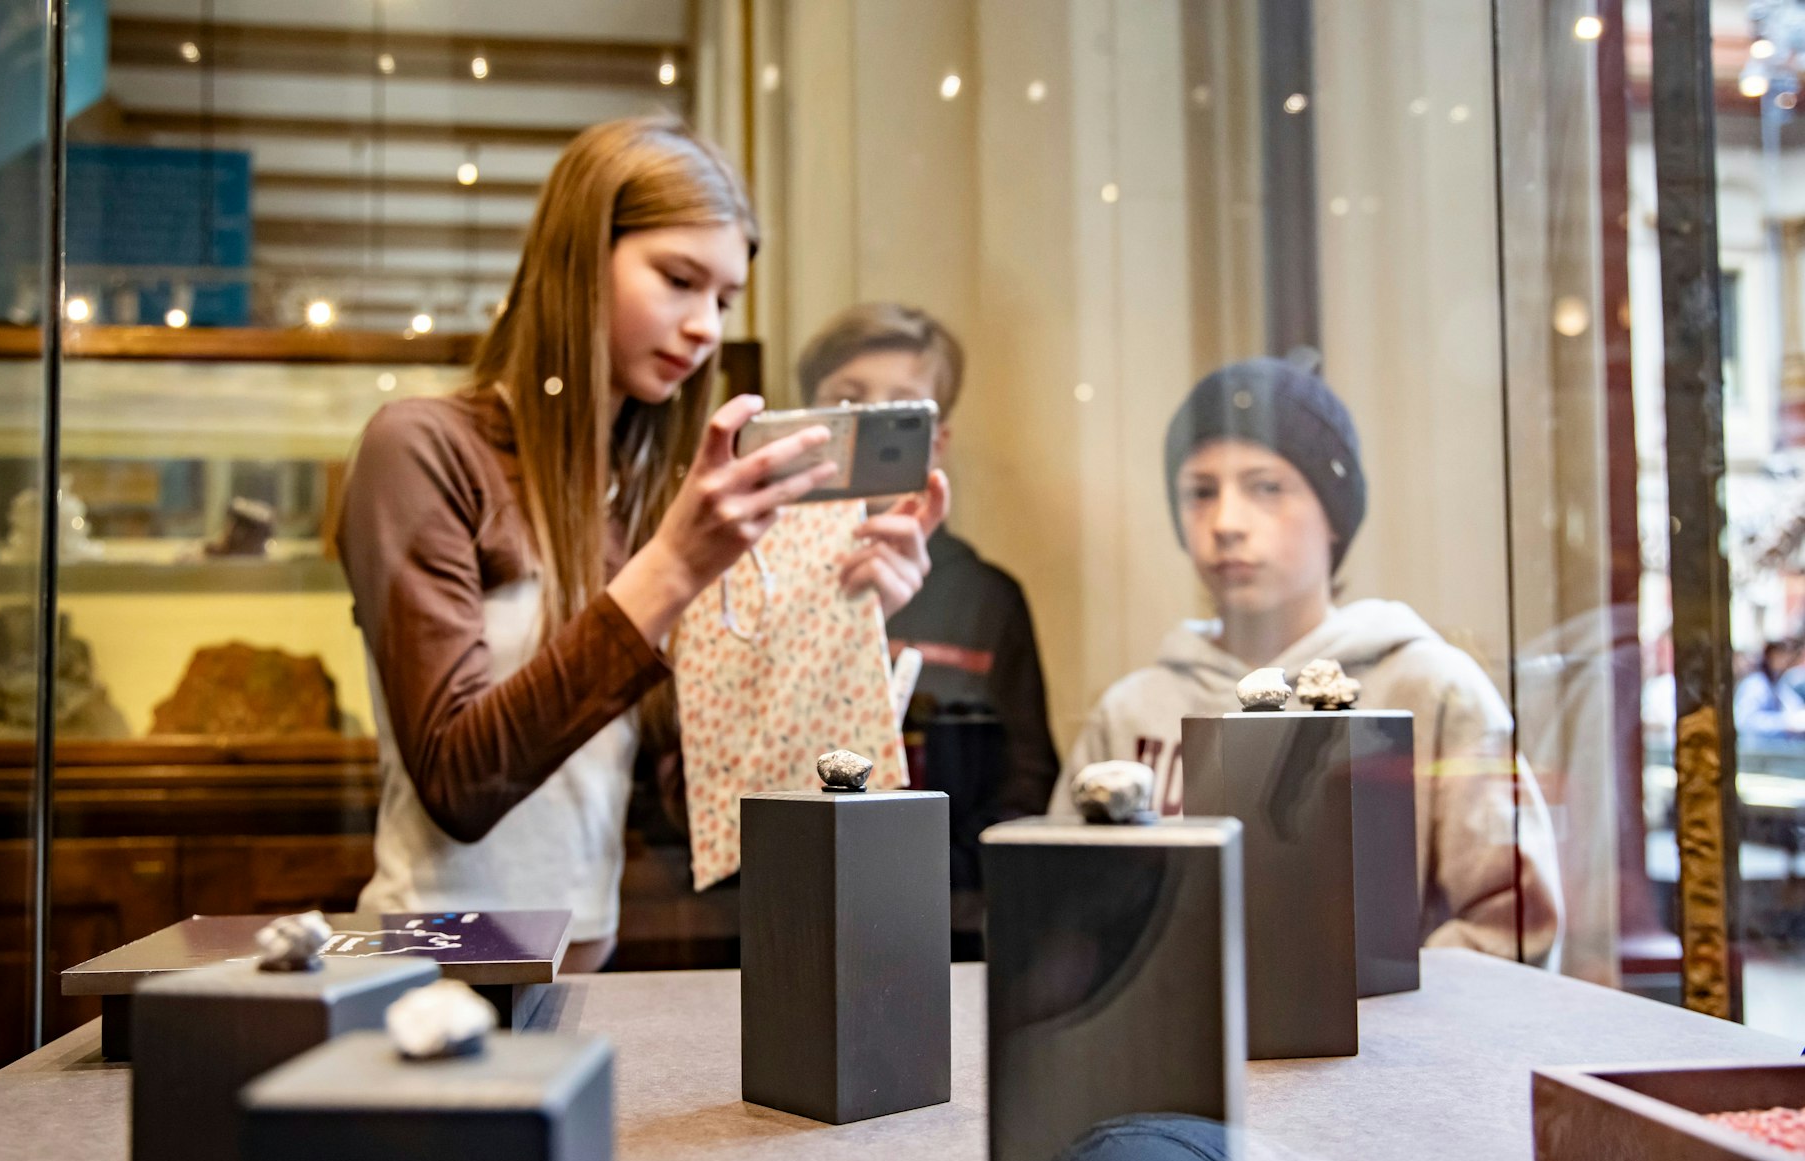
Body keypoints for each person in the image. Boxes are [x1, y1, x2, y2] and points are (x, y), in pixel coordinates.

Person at [336, 118, 940, 971]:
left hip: (597, 959)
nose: (703, 327)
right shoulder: (422, 448)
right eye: (679, 279)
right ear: (581, 256)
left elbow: (703, 789)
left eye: (724, 301)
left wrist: (842, 617)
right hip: (437, 962)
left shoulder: (645, 493)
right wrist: (671, 568)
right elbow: (458, 781)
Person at [1052, 357, 1563, 964]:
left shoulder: (1430, 690)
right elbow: (1067, 919)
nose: (1227, 523)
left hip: (1388, 1052)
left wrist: (1373, 1009)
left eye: (1267, 487)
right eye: (1200, 492)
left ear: (1334, 514)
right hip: (1171, 1048)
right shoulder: (1133, 711)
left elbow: (1513, 928)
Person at [797, 303, 1059, 903]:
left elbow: (1026, 782)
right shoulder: (752, 575)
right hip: (783, 888)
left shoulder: (986, 598)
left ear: (936, 442)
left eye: (900, 408)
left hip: (949, 909)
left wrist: (949, 880)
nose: (869, 424)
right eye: (846, 402)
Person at [1744, 638, 1805, 746]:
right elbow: (1746, 722)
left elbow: (1793, 706)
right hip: (1757, 754)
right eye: (1781, 655)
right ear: (1770, 656)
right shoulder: (1756, 685)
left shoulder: (1778, 683)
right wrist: (1785, 724)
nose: (1786, 660)